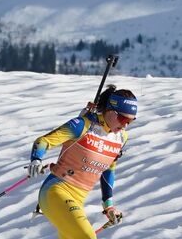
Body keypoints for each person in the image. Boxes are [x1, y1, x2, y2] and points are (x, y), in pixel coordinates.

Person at [27, 85, 138, 238]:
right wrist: (36, 159)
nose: (125, 125)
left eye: (131, 121)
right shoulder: (82, 125)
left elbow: (108, 169)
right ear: (110, 111)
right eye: (123, 118)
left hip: (78, 199)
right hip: (56, 191)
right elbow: (43, 141)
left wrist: (109, 206)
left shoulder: (121, 138)